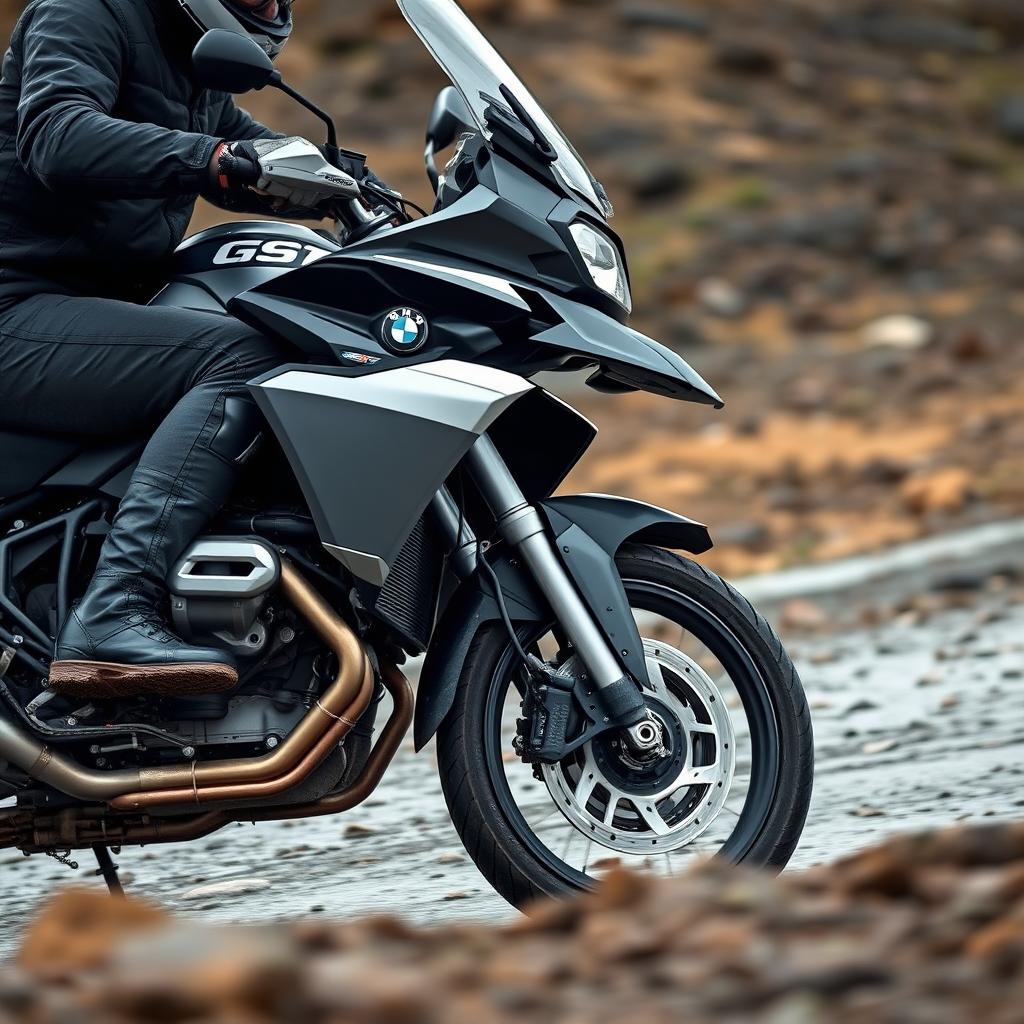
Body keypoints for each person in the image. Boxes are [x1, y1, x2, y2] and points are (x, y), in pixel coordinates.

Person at [0, 0, 383, 694]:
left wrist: (357, 191)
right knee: (245, 358)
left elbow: (265, 156)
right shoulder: (86, 11)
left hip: (86, 309)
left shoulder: (196, 69)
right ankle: (113, 609)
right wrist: (215, 161)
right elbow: (59, 134)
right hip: (16, 307)